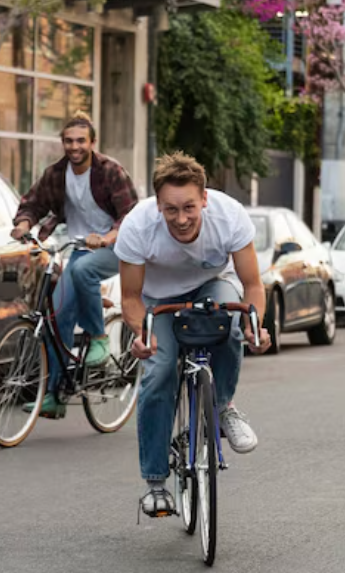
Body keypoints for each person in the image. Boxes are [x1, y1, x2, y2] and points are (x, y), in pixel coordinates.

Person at [114, 151, 271, 516]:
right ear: (158, 204)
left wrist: (254, 327)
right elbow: (131, 298)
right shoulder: (137, 227)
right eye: (171, 209)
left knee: (230, 322)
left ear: (204, 199)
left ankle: (224, 406)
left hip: (211, 285)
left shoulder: (229, 217)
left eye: (189, 207)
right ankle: (155, 483)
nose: (181, 219)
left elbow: (252, 286)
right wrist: (142, 335)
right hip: (158, 300)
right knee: (159, 371)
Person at [11, 111, 138, 419]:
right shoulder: (56, 174)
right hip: (80, 248)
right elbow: (33, 203)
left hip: (119, 246)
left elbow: (130, 215)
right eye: (69, 141)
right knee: (57, 315)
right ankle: (55, 394)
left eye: (81, 140)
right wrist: (24, 223)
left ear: (93, 142)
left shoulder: (110, 171)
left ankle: (99, 338)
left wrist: (106, 237)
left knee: (83, 270)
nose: (74, 146)